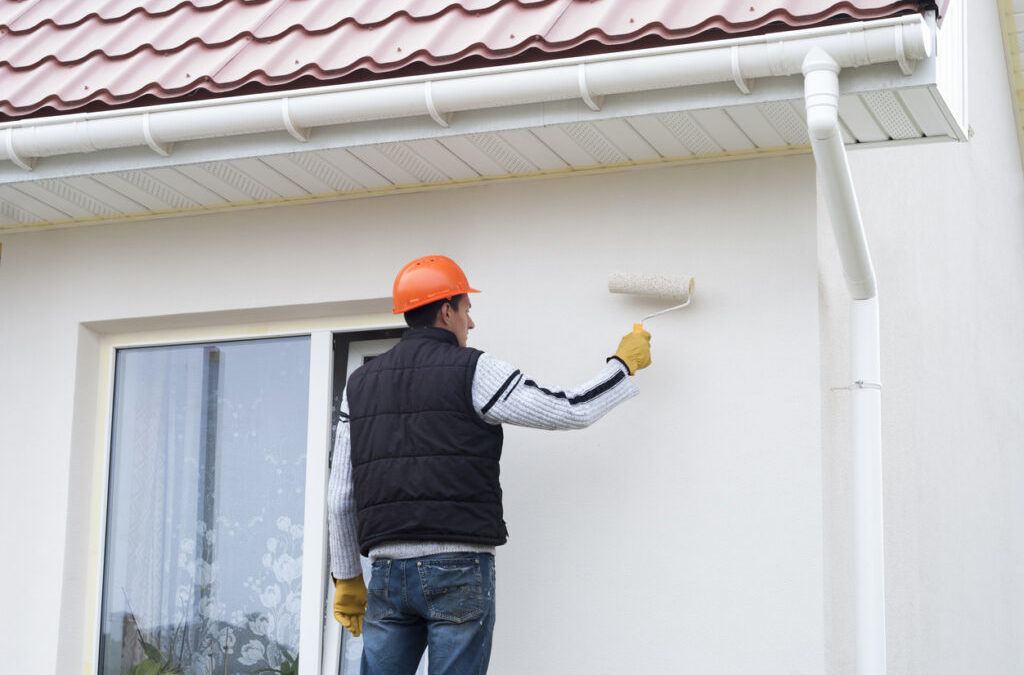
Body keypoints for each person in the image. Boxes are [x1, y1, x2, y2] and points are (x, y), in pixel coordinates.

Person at [327, 255, 652, 675]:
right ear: (447, 310)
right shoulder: (473, 369)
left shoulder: (361, 384)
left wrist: (347, 577)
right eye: (467, 310)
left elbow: (339, 497)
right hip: (458, 567)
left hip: (387, 572)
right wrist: (622, 366)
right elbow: (569, 410)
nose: (471, 323)